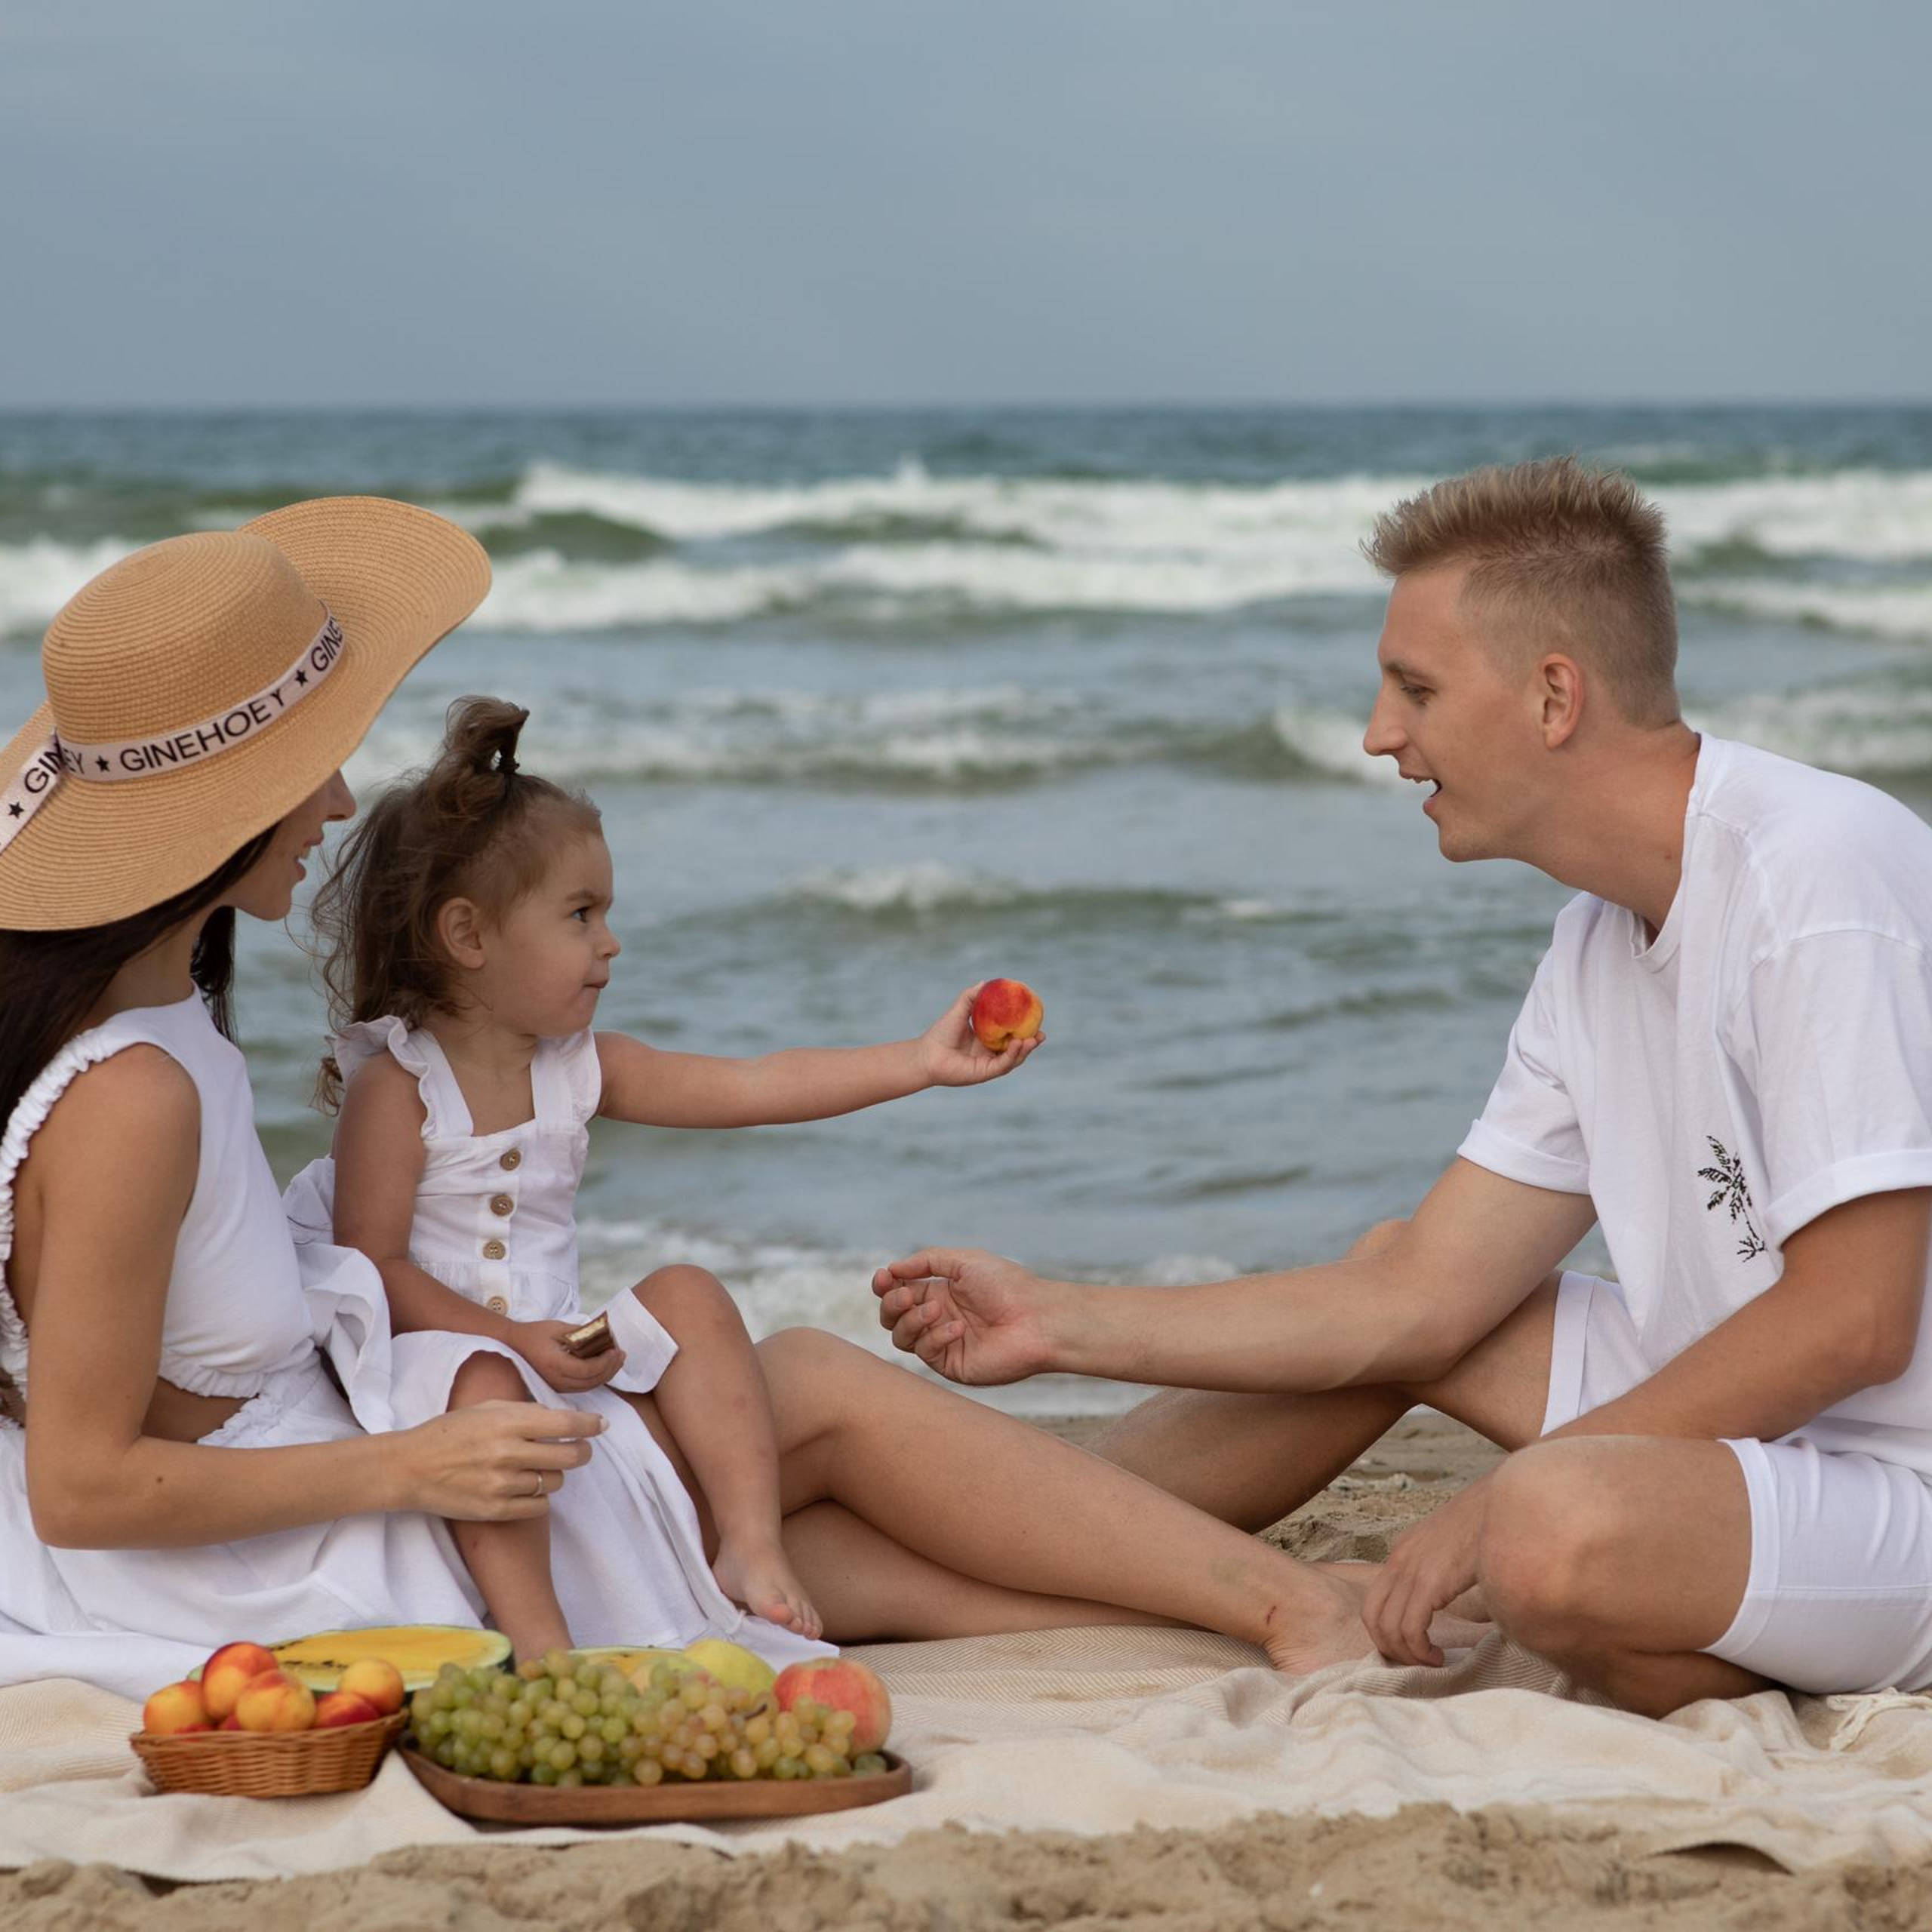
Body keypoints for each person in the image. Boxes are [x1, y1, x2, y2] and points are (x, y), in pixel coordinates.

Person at [0, 501, 1445, 1701]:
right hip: (311, 1542)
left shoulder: (163, 1015)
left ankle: (1266, 1605)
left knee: (795, 1496)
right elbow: (83, 1491)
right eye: (307, 762)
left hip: (358, 1472)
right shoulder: (132, 1095)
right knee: (805, 1396)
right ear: (221, 805)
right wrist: (417, 1457)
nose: (332, 806)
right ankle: (1281, 1606)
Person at [873, 455, 1932, 1718]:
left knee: (1547, 1524)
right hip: (1768, 1440)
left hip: (1901, 1479)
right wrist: (1057, 1321)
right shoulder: (1597, 938)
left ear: (1554, 697)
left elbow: (1856, 1320)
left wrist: (1493, 1508)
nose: (1382, 733)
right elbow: (1417, 1294)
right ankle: (1019, 1555)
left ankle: (1683, 1620)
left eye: (1415, 688)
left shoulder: (1819, 876)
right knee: (1426, 1302)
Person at [288, 691, 1040, 1663]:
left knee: (684, 1292)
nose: (610, 942)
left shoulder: (576, 1064)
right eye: (580, 915)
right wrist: (513, 1340)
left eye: (607, 913)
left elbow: (753, 1084)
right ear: (469, 937)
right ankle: (543, 1645)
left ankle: (751, 1545)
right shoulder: (398, 1087)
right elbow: (372, 1266)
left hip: (559, 1346)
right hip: (434, 1360)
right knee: (490, 1395)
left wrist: (918, 1062)